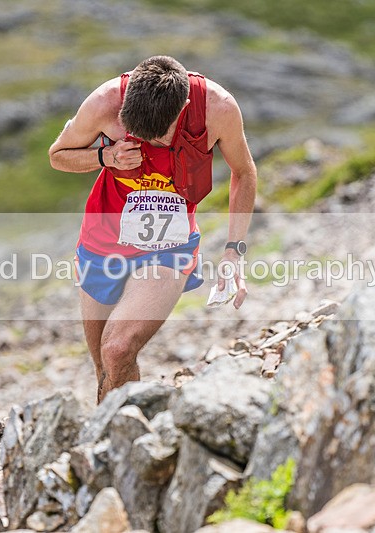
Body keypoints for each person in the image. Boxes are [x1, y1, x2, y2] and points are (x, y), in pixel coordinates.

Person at [48, 55, 256, 403]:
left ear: (184, 107)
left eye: (161, 137)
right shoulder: (104, 102)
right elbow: (58, 155)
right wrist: (106, 157)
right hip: (101, 246)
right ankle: (124, 437)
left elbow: (244, 173)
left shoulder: (218, 109)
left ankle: (121, 443)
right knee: (105, 366)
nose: (155, 146)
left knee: (117, 349)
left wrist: (235, 251)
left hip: (168, 248)